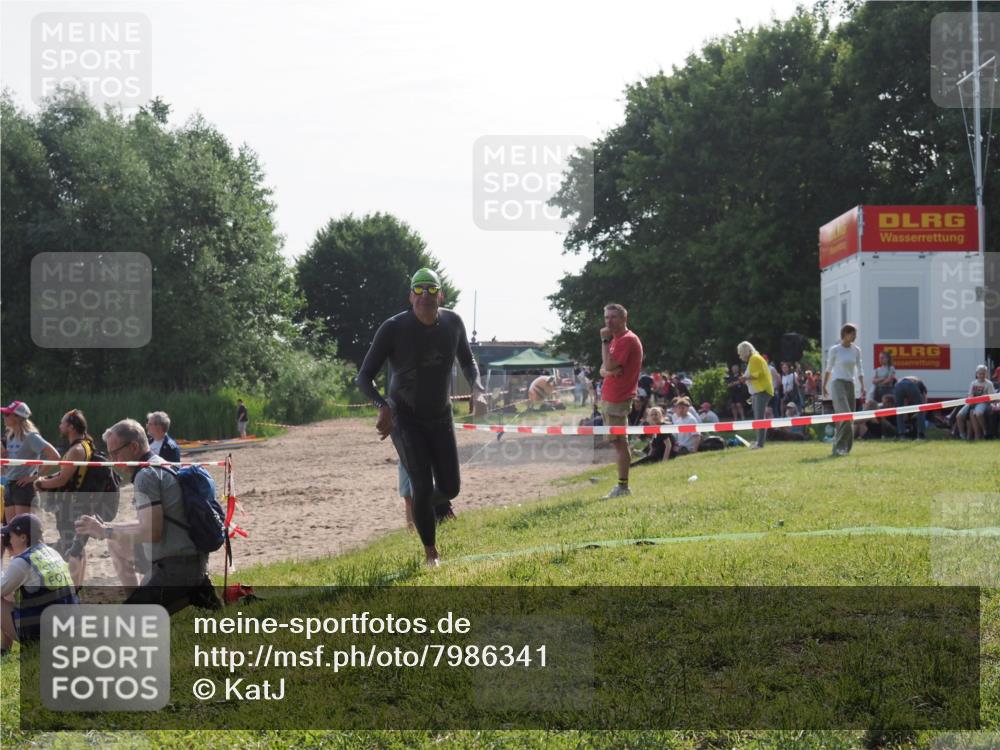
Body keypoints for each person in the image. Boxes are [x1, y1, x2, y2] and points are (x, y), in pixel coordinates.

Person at [355, 268, 486, 566]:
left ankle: (427, 507)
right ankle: (431, 553)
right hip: (405, 419)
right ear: (410, 296)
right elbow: (363, 377)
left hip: (440, 416)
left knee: (451, 487)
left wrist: (477, 388)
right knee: (422, 485)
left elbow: (468, 359)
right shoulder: (393, 328)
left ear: (441, 295)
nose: (424, 296)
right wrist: (382, 405)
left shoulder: (452, 323)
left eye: (431, 290)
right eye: (419, 290)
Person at [75, 419, 220, 612]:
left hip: (176, 569)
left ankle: (185, 592)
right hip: (194, 560)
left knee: (121, 625)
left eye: (115, 453)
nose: (113, 460)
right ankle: (190, 592)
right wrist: (108, 530)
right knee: (115, 541)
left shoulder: (146, 476)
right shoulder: (160, 463)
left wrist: (104, 530)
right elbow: (150, 524)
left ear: (134, 447)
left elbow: (152, 532)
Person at [32, 410, 104, 587]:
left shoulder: (76, 450)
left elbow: (63, 479)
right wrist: (47, 480)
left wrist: (40, 484)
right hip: (80, 502)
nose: (60, 425)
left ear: (71, 427)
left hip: (72, 505)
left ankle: (73, 588)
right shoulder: (86, 444)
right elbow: (66, 474)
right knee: (78, 547)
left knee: (70, 547)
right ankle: (78, 585)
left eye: (62, 423)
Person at [1, 514, 78, 652]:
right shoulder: (52, 552)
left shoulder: (22, 562)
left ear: (23, 537)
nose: (9, 541)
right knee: (10, 594)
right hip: (68, 629)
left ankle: (6, 649)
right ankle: (4, 649)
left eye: (11, 536)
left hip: (42, 636)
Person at [598, 303, 643, 498]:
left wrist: (605, 341)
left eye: (613, 317)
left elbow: (607, 364)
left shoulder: (625, 340)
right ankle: (622, 486)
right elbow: (603, 369)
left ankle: (623, 487)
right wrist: (608, 369)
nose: (609, 321)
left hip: (618, 398)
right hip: (610, 398)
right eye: (606, 318)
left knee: (620, 444)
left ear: (624, 319)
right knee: (618, 443)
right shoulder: (616, 340)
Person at [1, 402, 60, 522]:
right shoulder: (10, 437)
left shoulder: (31, 437)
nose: (4, 416)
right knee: (12, 533)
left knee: (24, 532)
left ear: (17, 417)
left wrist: (35, 477)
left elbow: (55, 456)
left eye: (7, 414)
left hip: (24, 487)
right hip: (9, 485)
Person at [822, 324, 865, 456]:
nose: (855, 336)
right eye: (852, 334)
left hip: (850, 384)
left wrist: (863, 385)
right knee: (845, 416)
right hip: (837, 384)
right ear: (845, 334)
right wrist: (824, 385)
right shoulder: (835, 349)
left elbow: (859, 368)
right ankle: (840, 447)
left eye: (855, 334)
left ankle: (845, 448)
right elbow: (829, 368)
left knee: (849, 418)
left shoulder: (856, 350)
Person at [737, 341, 774, 450]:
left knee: (759, 418)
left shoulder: (754, 358)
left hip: (762, 391)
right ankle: (759, 441)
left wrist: (744, 378)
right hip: (759, 392)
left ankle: (760, 444)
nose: (739, 355)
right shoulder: (754, 358)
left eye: (740, 353)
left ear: (744, 351)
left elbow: (755, 375)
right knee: (758, 418)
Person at [956, 365, 996, 441]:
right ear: (976, 374)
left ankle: (985, 430)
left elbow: (992, 397)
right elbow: (970, 394)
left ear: (986, 374)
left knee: (978, 414)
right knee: (959, 416)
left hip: (983, 402)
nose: (981, 375)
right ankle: (962, 435)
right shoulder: (973, 383)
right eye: (980, 373)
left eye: (983, 373)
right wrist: (971, 399)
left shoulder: (989, 384)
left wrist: (984, 399)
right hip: (972, 402)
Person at [893, 376, 927, 440]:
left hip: (898, 386)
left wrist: (906, 414)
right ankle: (921, 435)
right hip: (910, 384)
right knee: (921, 410)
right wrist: (921, 413)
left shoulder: (902, 380)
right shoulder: (921, 384)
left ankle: (902, 435)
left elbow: (904, 402)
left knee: (899, 411)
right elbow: (924, 401)